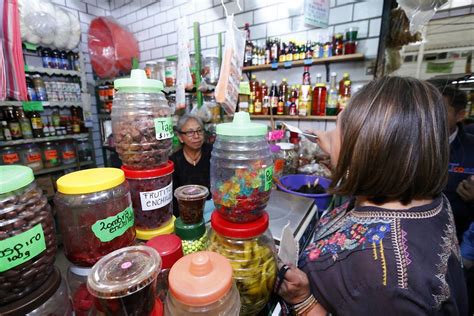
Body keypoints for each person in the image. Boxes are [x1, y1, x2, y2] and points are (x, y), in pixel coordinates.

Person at [277, 77, 468, 315]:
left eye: (338, 130)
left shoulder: (383, 276)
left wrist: (304, 301)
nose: (330, 137)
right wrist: (334, 146)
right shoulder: (425, 196)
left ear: (366, 149)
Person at [433, 83, 474, 243]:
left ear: (460, 115)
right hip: (414, 236)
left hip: (458, 240)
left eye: (441, 110)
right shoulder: (411, 143)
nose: (433, 115)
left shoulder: (471, 150)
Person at [170, 114, 212, 217]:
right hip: (184, 213)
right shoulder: (174, 161)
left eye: (199, 131)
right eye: (190, 132)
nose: (196, 136)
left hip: (211, 209)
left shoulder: (213, 153)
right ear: (180, 137)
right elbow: (174, 200)